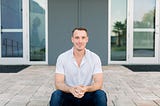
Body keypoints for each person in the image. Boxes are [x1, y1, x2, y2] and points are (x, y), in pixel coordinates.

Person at [50, 27, 107, 106]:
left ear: (87, 39)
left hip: (86, 95)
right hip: (69, 95)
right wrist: (70, 89)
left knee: (100, 94)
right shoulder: (62, 58)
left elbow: (99, 83)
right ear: (72, 39)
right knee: (56, 95)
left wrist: (86, 89)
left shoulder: (95, 58)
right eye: (77, 38)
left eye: (83, 38)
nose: (80, 41)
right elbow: (58, 83)